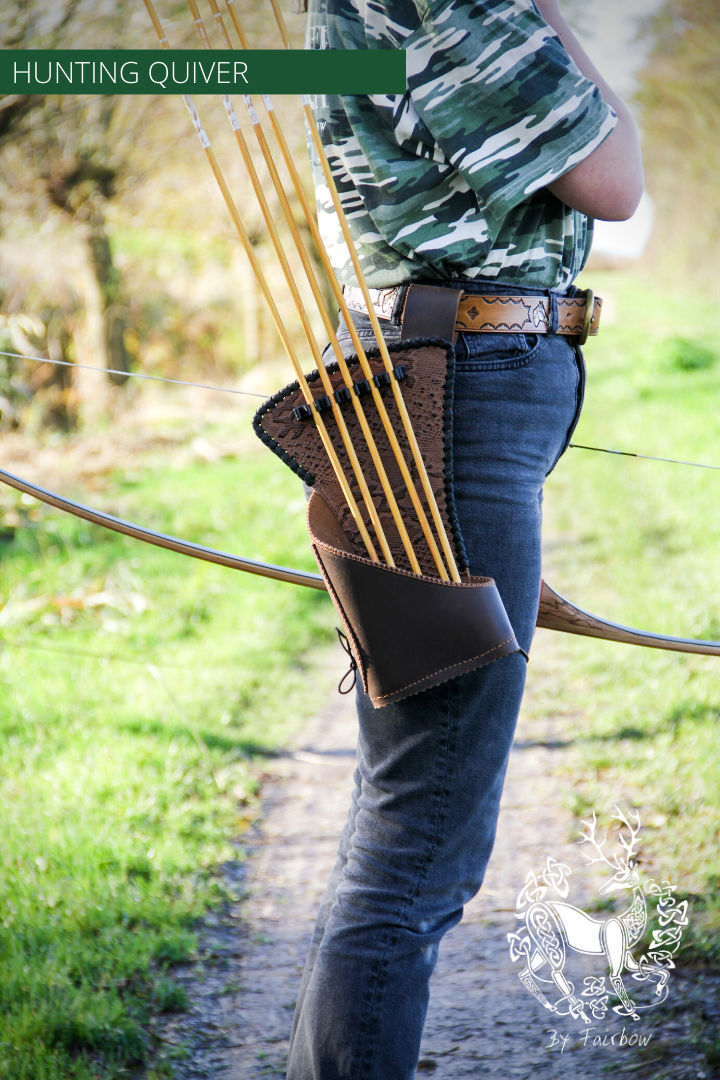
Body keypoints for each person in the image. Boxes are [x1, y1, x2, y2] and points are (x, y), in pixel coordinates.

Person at [287, 2, 644, 1077]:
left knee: (408, 823)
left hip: (446, 376)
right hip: (457, 384)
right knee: (422, 836)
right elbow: (615, 178)